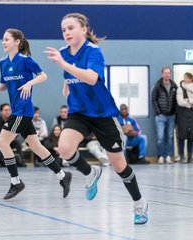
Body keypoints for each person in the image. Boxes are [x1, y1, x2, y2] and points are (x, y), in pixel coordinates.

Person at [44, 13, 148, 224]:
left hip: (102, 114)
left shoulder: (93, 52)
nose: (66, 33)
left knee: (119, 165)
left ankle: (139, 203)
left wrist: (64, 65)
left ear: (83, 29)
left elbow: (91, 78)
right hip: (79, 113)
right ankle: (90, 173)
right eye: (63, 30)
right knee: (64, 149)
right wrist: (67, 84)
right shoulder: (64, 53)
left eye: (71, 28)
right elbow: (70, 77)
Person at [0, 28, 72, 200]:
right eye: (2, 39)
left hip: (22, 110)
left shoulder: (25, 60)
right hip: (19, 110)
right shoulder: (3, 62)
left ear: (17, 42)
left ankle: (16, 181)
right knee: (36, 146)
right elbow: (4, 85)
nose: (3, 42)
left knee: (2, 142)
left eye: (7, 39)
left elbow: (43, 75)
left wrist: (29, 83)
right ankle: (63, 176)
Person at [152, 66, 177, 164]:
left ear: (170, 74)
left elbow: (176, 100)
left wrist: (174, 112)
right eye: (165, 73)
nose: (167, 74)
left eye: (168, 73)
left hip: (171, 116)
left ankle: (168, 156)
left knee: (170, 137)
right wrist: (158, 112)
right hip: (160, 117)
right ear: (162, 74)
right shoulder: (158, 85)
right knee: (160, 137)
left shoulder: (174, 86)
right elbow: (153, 99)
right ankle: (161, 156)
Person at [0, 103, 23, 167]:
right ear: (1, 111)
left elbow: (16, 131)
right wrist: (6, 139)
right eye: (6, 110)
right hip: (1, 139)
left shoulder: (13, 120)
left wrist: (12, 138)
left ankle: (20, 160)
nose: (8, 112)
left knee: (18, 143)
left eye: (9, 110)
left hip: (12, 139)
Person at [176, 72, 193, 163]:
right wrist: (190, 105)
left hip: (191, 115)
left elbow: (187, 100)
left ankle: (190, 156)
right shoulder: (180, 89)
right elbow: (180, 102)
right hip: (182, 115)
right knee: (182, 137)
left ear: (191, 79)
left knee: (191, 137)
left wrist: (189, 100)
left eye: (186, 77)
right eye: (184, 77)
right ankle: (181, 155)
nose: (184, 79)